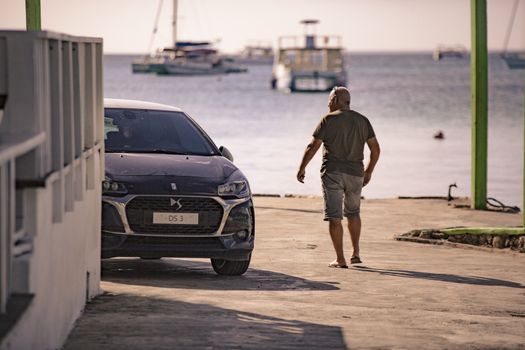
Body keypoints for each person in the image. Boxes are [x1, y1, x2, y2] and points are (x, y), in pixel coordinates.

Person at [296, 86, 380, 268]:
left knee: (335, 217)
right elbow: (375, 149)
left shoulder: (327, 119)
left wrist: (302, 167)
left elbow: (313, 146)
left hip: (332, 173)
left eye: (329, 100)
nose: (327, 104)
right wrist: (369, 171)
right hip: (356, 174)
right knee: (354, 213)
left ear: (334, 99)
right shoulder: (362, 120)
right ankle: (356, 253)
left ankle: (340, 259)